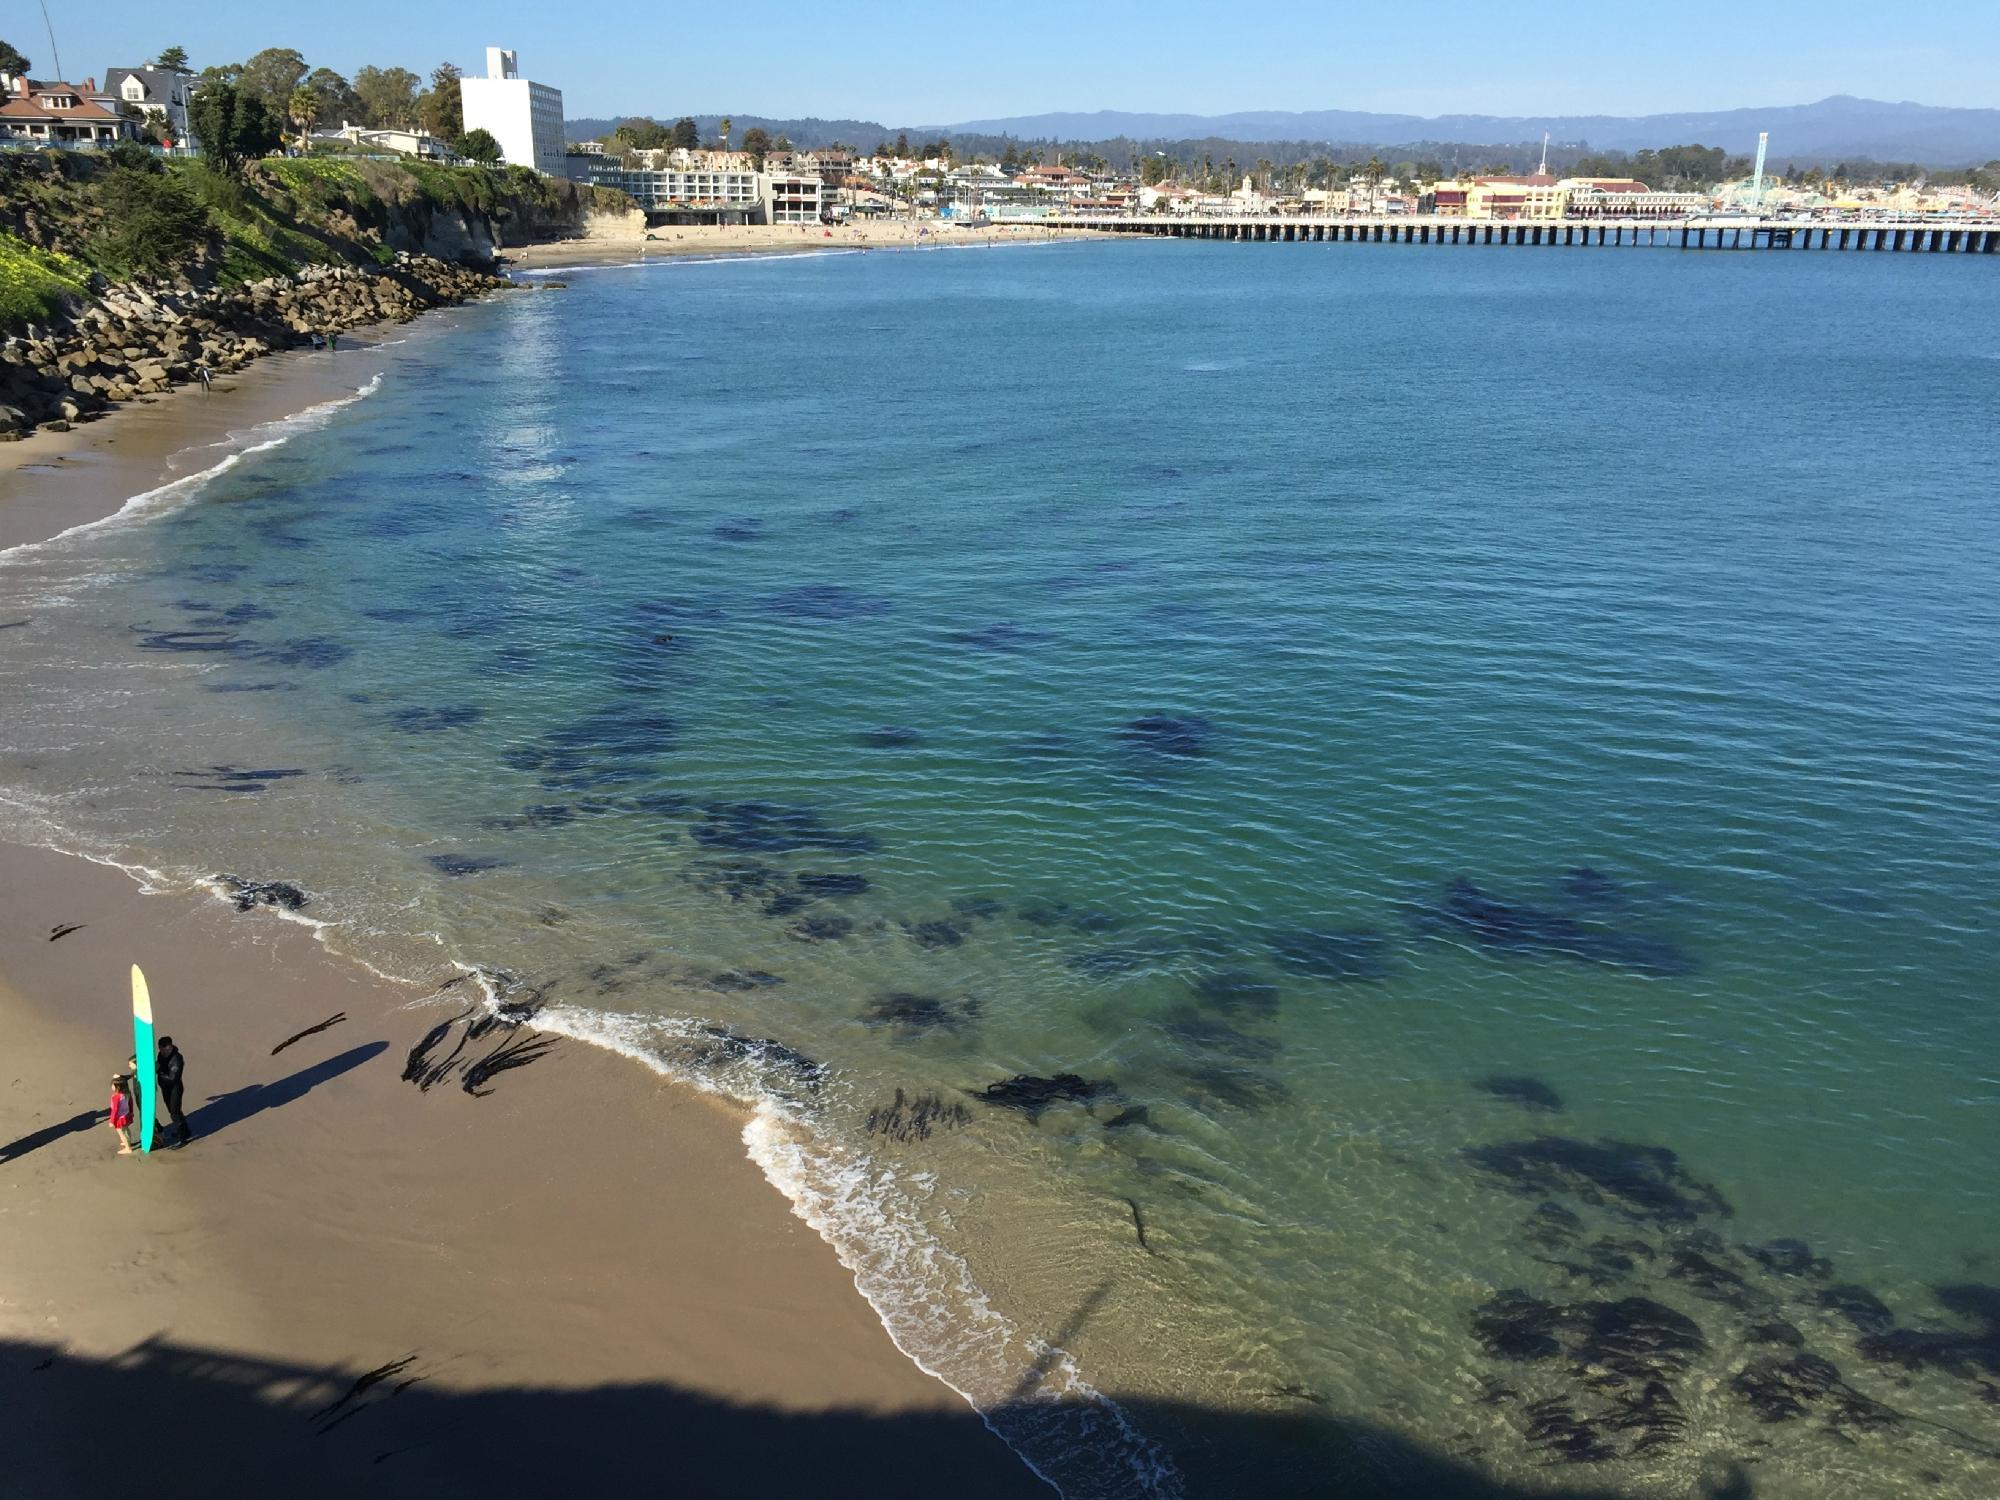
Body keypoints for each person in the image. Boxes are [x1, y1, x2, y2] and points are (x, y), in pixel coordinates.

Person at [156, 1036, 192, 1149]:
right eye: (161, 1049)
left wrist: (160, 1073)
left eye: (165, 1049)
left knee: (175, 1113)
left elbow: (173, 1078)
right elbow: (159, 1065)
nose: (163, 1052)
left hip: (175, 1089)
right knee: (173, 1111)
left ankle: (183, 1139)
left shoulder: (177, 1059)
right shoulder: (160, 1055)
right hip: (165, 1088)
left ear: (170, 1047)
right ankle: (185, 1131)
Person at [109, 1075, 136, 1155]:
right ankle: (128, 1142)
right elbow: (131, 1103)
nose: (112, 1087)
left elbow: (115, 1110)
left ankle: (128, 1148)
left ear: (117, 1087)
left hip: (120, 1118)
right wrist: (131, 1112)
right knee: (126, 1130)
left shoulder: (116, 1097)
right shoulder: (127, 1094)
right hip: (127, 1115)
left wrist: (112, 1121)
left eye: (113, 1085)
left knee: (122, 1133)